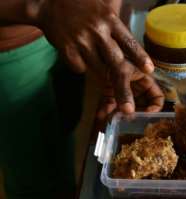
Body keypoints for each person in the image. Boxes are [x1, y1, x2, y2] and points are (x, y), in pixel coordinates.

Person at [0, 0, 164, 199]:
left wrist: (108, 30)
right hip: (12, 43)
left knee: (64, 124)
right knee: (34, 171)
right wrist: (42, 7)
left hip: (74, 19)